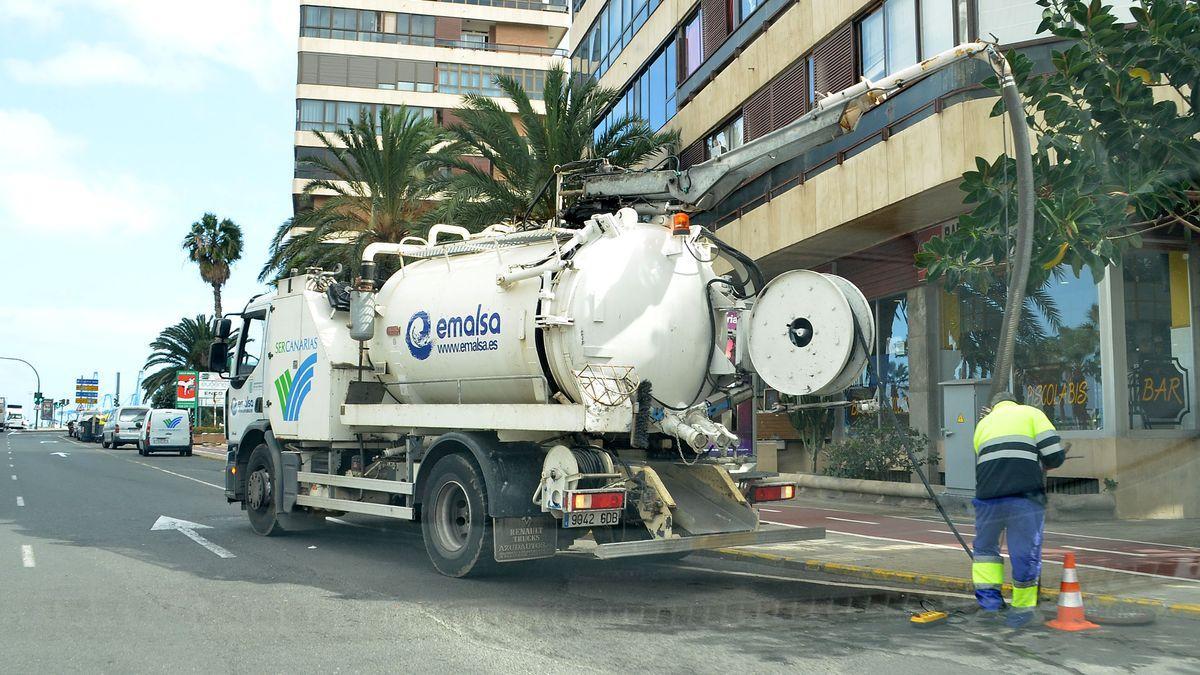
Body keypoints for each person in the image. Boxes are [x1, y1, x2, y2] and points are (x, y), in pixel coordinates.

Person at [971, 391, 1065, 628]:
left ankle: (990, 606)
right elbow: (1054, 456)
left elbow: (987, 459)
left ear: (994, 407)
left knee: (985, 550)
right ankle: (1022, 609)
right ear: (1015, 402)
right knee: (1024, 549)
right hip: (1024, 496)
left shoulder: (983, 424)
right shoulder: (1032, 414)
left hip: (987, 497)